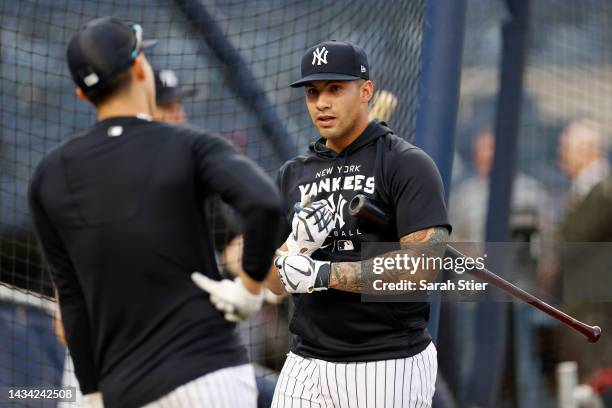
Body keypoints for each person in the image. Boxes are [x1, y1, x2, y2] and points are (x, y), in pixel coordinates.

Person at [29, 16, 282, 408]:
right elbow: (265, 203)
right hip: (209, 375)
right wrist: (249, 290)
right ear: (138, 67)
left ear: (82, 95)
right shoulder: (189, 145)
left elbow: (73, 304)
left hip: (123, 387)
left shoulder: (48, 175)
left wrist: (93, 392)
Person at [263, 40, 451, 407]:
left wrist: (322, 275)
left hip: (386, 360)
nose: (321, 102)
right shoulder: (293, 173)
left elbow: (423, 266)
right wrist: (295, 247)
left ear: (366, 91)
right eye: (313, 92)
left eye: (335, 89)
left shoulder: (406, 164)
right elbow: (272, 284)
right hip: (306, 360)